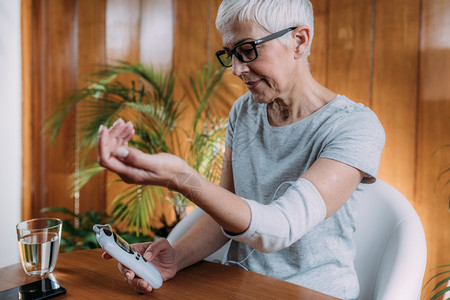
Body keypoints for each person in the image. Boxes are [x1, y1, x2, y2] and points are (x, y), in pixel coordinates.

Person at [97, 0, 385, 298]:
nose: (236, 69)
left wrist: (181, 178)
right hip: (240, 287)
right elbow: (227, 210)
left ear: (299, 40)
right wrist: (176, 258)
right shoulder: (245, 111)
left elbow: (280, 229)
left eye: (247, 50)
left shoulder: (355, 127)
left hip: (313, 293)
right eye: (231, 54)